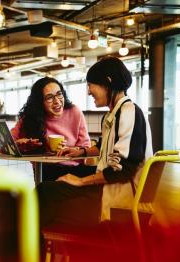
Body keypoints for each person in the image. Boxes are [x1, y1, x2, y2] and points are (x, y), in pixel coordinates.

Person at [37, 56, 153, 228]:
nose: (89, 91)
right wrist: (81, 152)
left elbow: (122, 169)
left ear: (107, 83)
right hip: (115, 187)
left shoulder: (128, 113)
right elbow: (104, 146)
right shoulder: (115, 113)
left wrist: (81, 181)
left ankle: (38, 247)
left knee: (44, 194)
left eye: (91, 85)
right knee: (52, 189)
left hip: (119, 196)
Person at [0, 77, 92, 181]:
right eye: (49, 98)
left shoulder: (74, 111)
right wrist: (17, 144)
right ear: (39, 102)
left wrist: (69, 150)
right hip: (44, 171)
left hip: (74, 171)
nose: (57, 101)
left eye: (59, 94)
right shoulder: (29, 118)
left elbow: (86, 148)